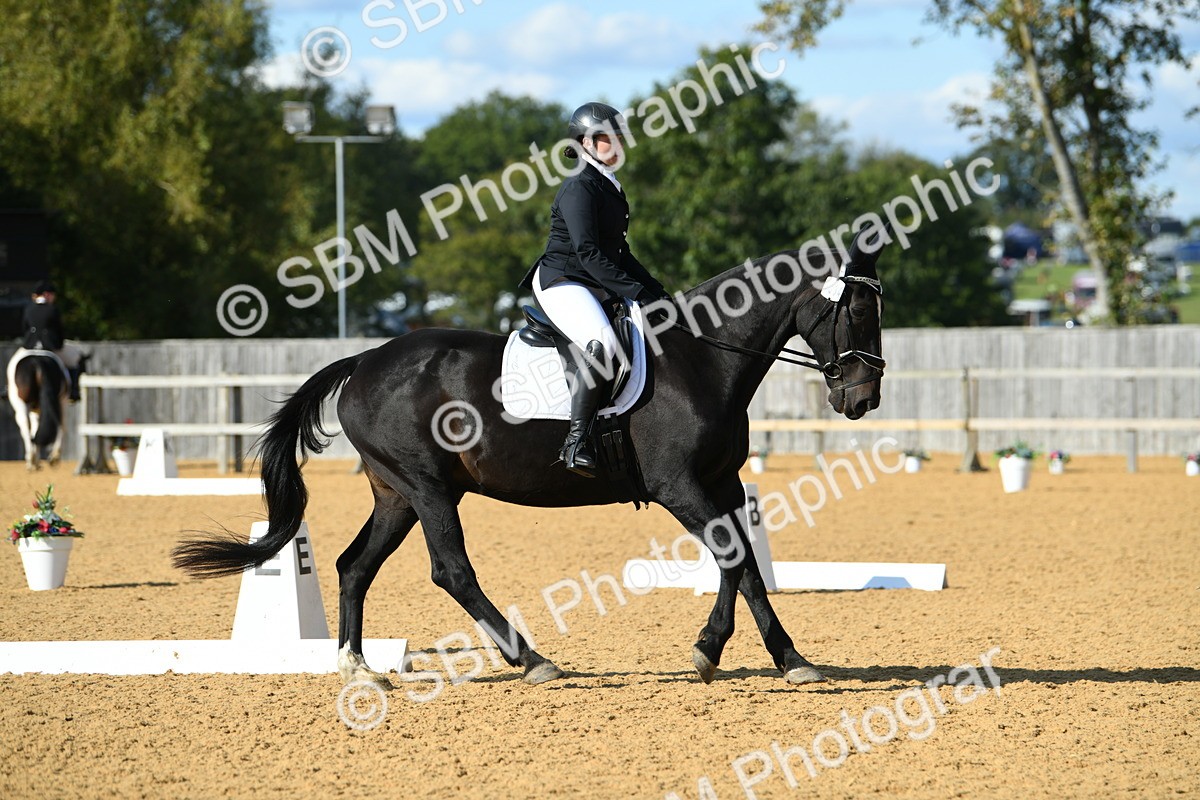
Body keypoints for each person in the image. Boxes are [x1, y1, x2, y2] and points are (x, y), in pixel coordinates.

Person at [519, 102, 670, 477]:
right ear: (584, 142)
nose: (615, 145)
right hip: (563, 280)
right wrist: (637, 292)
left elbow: (620, 252)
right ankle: (576, 442)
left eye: (619, 138)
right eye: (606, 138)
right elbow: (588, 253)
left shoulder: (608, 184)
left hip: (591, 279)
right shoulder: (579, 187)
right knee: (601, 341)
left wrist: (657, 292)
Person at [21, 280, 84, 401]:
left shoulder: (28, 309)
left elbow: (24, 329)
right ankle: (73, 391)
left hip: (29, 346)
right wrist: (59, 344)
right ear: (47, 294)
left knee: (14, 363)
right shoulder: (53, 309)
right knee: (74, 359)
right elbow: (59, 330)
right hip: (49, 346)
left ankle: (8, 388)